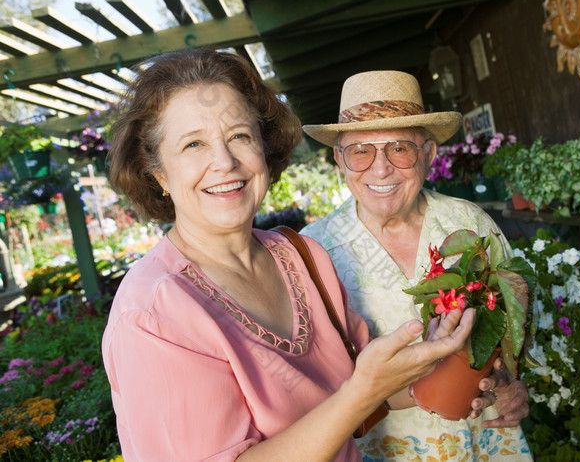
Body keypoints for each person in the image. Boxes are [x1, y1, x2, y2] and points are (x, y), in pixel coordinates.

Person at [101, 48, 477, 461]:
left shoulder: (301, 256)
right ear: (157, 173)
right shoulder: (154, 314)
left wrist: (448, 365)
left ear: (264, 148)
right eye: (193, 144)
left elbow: (372, 392)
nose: (224, 162)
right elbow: (359, 394)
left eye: (239, 137)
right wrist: (361, 392)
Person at [301, 70, 532, 460]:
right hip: (381, 451)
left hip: (486, 444)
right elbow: (310, 383)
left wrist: (511, 383)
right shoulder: (313, 250)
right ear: (339, 159)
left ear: (428, 153)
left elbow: (514, 322)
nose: (380, 168)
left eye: (399, 148)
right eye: (360, 151)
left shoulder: (470, 224)